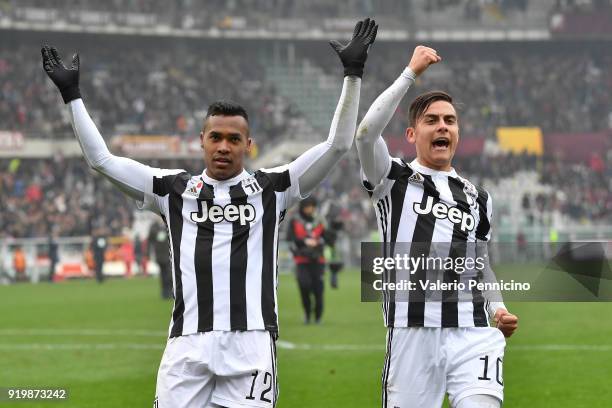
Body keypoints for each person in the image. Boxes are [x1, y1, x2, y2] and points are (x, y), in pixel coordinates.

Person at [42, 17, 377, 408]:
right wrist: (72, 95)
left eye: (234, 139)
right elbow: (101, 160)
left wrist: (353, 74)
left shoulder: (273, 189)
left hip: (251, 345)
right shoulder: (171, 189)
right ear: (201, 140)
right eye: (215, 137)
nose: (223, 146)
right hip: (187, 349)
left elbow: (337, 145)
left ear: (248, 145)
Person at [355, 46, 519, 408]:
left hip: (474, 331)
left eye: (449, 120)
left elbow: (479, 264)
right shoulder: (392, 178)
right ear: (412, 135)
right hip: (413, 331)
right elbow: (365, 135)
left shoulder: (478, 197)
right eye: (431, 120)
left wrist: (498, 309)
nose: (443, 125)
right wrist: (409, 73)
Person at [287, 196, 327, 324]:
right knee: (304, 286)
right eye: (307, 206)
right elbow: (290, 239)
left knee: (318, 290)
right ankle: (307, 313)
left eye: (312, 206)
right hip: (301, 260)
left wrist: (319, 242)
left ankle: (318, 317)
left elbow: (328, 238)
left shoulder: (320, 220)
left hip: (318, 260)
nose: (310, 209)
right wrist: (304, 242)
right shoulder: (294, 221)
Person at [148, 218, 173, 299]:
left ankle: (169, 291)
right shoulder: (154, 227)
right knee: (163, 274)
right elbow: (150, 240)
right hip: (160, 255)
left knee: (168, 274)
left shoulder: (168, 224)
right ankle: (164, 292)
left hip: (168, 254)